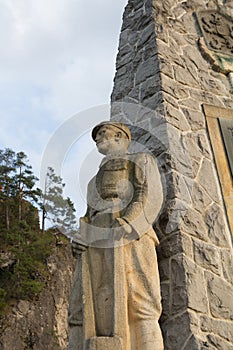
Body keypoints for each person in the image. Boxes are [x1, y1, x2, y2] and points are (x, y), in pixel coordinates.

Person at [68, 121, 164, 350]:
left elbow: (149, 195)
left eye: (103, 134)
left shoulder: (140, 160)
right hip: (96, 241)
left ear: (120, 136)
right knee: (81, 307)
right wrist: (80, 237)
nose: (98, 139)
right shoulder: (93, 182)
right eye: (97, 136)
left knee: (141, 301)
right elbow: (88, 214)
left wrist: (129, 223)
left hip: (132, 237)